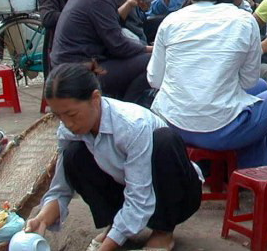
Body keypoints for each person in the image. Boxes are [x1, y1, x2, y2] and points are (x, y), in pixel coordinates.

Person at [27, 63, 202, 251]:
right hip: (128, 186)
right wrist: (42, 219)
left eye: (71, 114)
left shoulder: (132, 125)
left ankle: (163, 231)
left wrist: (106, 248)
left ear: (95, 98)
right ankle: (116, 226)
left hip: (176, 193)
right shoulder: (69, 131)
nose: (67, 123)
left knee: (164, 140)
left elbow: (139, 197)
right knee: (73, 155)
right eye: (59, 116)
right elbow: (61, 187)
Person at [148, 0, 267, 168]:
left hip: (172, 121)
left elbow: (154, 79)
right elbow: (247, 81)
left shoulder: (172, 21)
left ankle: (248, 167)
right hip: (218, 129)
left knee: (262, 87)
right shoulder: (244, 21)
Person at [51, 0, 152, 103]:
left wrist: (130, 3)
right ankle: (128, 109)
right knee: (151, 62)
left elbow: (109, 25)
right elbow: (118, 46)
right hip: (77, 71)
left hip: (72, 65)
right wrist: (152, 49)